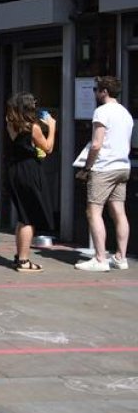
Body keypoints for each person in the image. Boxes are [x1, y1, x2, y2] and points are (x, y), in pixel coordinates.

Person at [75, 75, 133, 271]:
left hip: (104, 168)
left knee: (94, 211)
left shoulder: (102, 112)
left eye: (96, 90)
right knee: (119, 212)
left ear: (104, 92)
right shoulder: (125, 113)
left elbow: (97, 143)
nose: (95, 93)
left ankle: (100, 259)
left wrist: (87, 167)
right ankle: (121, 257)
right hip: (123, 166)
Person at [4, 92, 56, 272]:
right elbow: (48, 148)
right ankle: (24, 261)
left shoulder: (11, 123)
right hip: (28, 171)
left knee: (22, 215)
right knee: (29, 218)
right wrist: (52, 126)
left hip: (14, 170)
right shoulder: (32, 127)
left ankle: (20, 256)